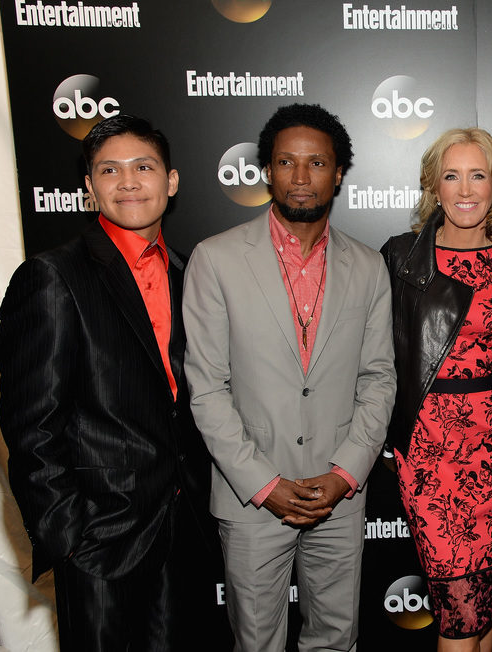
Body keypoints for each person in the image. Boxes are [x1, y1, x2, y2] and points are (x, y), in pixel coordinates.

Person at [183, 103, 395, 652]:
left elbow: (378, 380)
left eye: (317, 163)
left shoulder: (370, 266)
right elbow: (206, 388)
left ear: (339, 173)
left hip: (339, 500)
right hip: (252, 496)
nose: (301, 178)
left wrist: (345, 474)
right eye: (286, 162)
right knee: (256, 643)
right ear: (267, 170)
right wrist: (264, 484)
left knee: (336, 640)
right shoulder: (216, 259)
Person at [0, 114, 213, 651]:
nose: (130, 182)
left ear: (173, 181)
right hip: (99, 535)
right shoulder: (52, 277)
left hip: (186, 529)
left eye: (144, 167)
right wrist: (68, 535)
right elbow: (29, 426)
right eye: (109, 171)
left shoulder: (193, 275)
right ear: (89, 187)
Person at [380, 128, 492, 652]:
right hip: (430, 456)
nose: (465, 189)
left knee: (488, 600)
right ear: (433, 185)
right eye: (452, 175)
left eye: (478, 175)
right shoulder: (401, 260)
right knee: (459, 615)